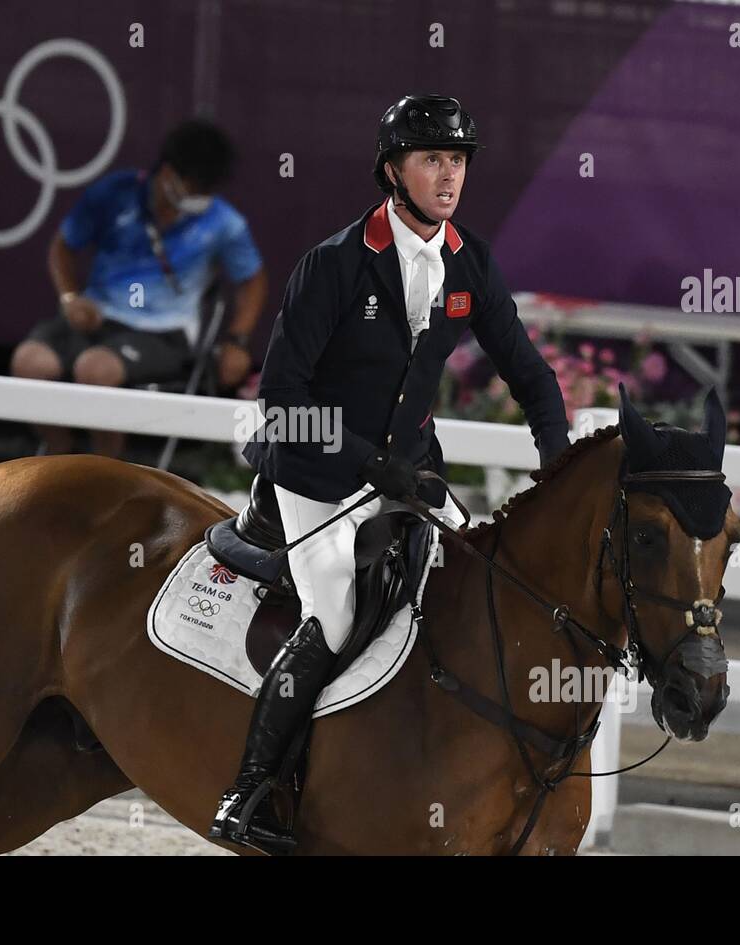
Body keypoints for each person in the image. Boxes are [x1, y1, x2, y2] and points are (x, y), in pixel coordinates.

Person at [209, 94, 571, 854]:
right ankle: (250, 793)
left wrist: (559, 458)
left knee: (465, 594)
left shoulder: (467, 262)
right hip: (316, 473)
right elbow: (280, 399)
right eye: (433, 159)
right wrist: (370, 462)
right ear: (393, 171)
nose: (449, 176)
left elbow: (531, 375)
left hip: (407, 473)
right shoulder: (336, 263)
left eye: (459, 160)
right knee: (336, 614)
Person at [11, 119, 267, 457]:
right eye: (194, 187)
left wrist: (237, 340)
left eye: (207, 191)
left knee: (95, 369)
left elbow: (253, 281)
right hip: (95, 318)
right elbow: (62, 246)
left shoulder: (224, 223)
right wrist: (71, 297)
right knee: (29, 363)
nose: (200, 198)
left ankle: (105, 474)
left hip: (163, 334)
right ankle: (60, 459)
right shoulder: (115, 193)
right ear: (169, 172)